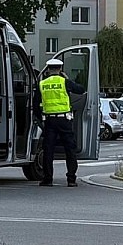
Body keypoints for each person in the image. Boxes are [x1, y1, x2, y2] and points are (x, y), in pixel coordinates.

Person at [35, 57, 86, 187]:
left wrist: (41, 119)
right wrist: (68, 79)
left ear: (48, 70)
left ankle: (47, 179)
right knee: (70, 150)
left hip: (49, 121)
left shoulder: (42, 84)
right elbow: (81, 90)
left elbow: (35, 106)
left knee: (48, 150)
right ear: (60, 69)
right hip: (65, 120)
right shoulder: (65, 82)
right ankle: (71, 179)